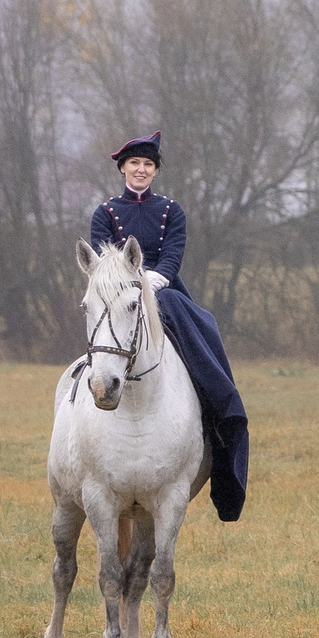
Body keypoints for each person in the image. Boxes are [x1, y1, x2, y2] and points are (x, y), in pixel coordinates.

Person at [88, 130, 249, 521]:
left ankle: (221, 414)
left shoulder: (171, 210)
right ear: (123, 168)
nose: (141, 170)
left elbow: (174, 253)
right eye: (134, 164)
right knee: (100, 334)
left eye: (148, 165)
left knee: (206, 332)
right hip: (117, 299)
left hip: (165, 293)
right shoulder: (105, 213)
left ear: (155, 171)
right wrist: (129, 287)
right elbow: (99, 263)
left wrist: (155, 280)